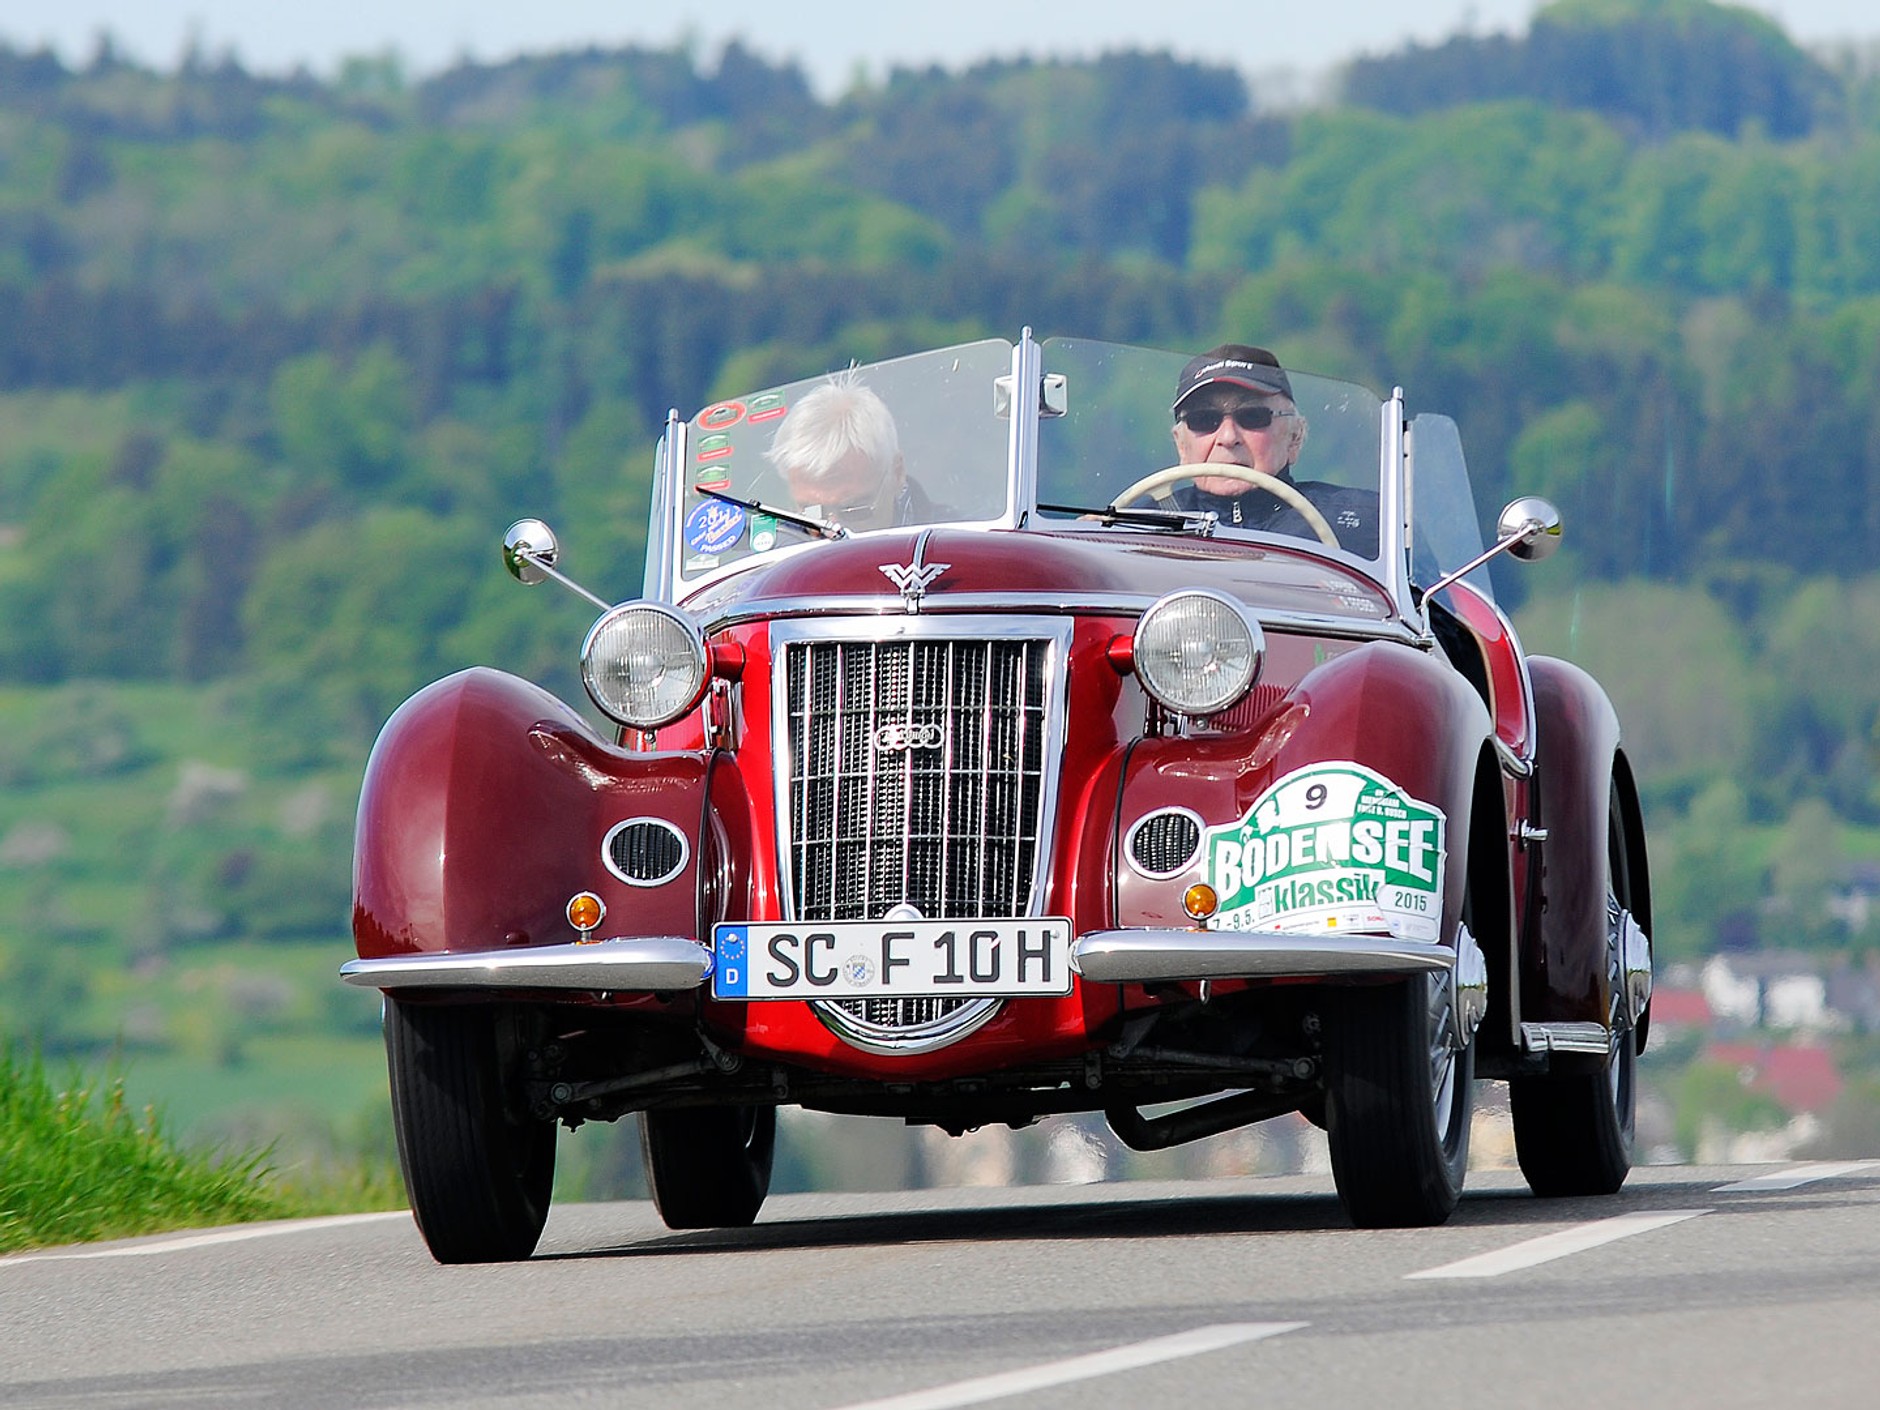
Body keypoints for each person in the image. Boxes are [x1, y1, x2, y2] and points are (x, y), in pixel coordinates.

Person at [1165, 344, 1378, 555]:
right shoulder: (1141, 524)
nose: (1228, 437)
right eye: (1204, 419)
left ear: (1294, 438)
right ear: (1182, 446)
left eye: (1252, 416)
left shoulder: (1365, 521)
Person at [761, 373, 942, 532]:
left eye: (853, 510)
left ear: (897, 472)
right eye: (811, 514)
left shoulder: (958, 550)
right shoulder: (776, 563)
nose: (831, 531)